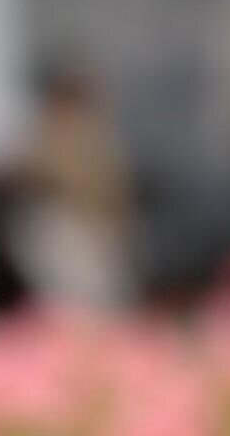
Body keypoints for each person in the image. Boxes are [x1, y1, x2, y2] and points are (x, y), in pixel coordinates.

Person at [8, 62, 137, 313]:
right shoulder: (50, 135)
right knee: (76, 306)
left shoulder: (92, 134)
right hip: (68, 230)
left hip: (97, 231)